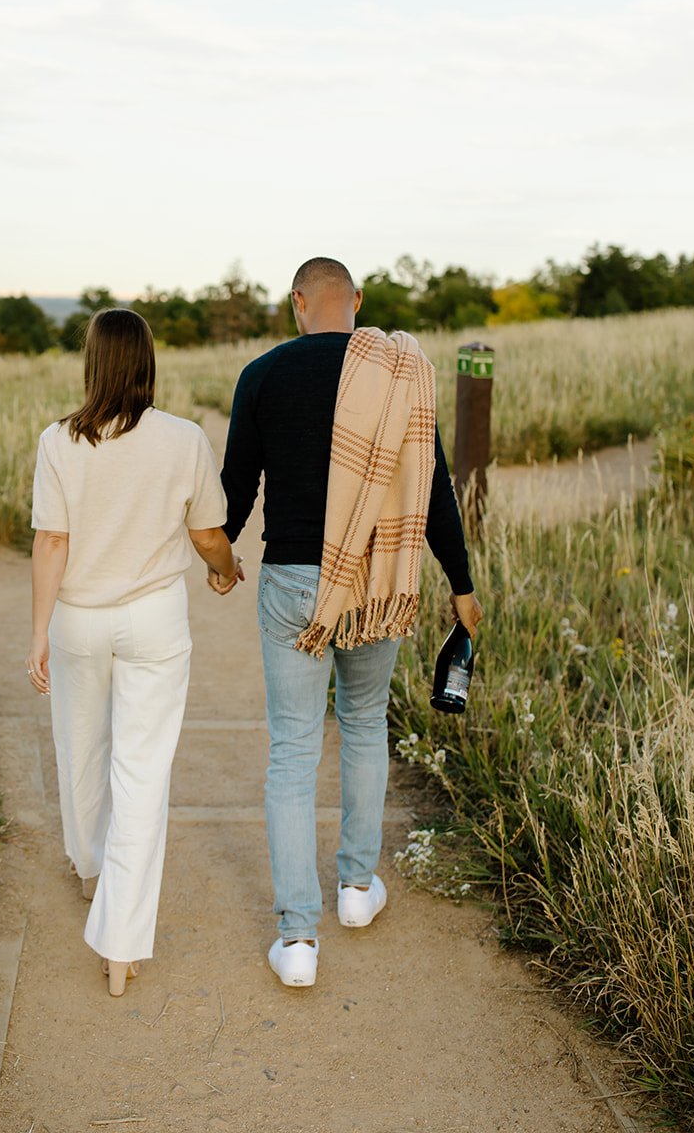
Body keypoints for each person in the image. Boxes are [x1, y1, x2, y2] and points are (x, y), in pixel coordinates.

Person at [215, 256, 482, 988]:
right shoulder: (400, 375)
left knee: (292, 752)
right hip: (377, 582)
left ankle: (298, 939)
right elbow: (431, 490)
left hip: (292, 581)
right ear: (356, 301)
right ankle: (358, 889)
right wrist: (460, 583)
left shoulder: (263, 374)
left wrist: (221, 557)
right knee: (364, 724)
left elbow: (235, 490)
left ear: (296, 302)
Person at [25, 308, 242, 997]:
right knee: (142, 773)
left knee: (80, 749)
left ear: (91, 363)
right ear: (148, 362)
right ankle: (121, 945)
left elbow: (51, 541)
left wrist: (38, 632)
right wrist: (225, 569)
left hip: (78, 619)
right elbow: (207, 533)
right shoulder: (183, 438)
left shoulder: (58, 441)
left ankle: (92, 867)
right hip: (154, 620)